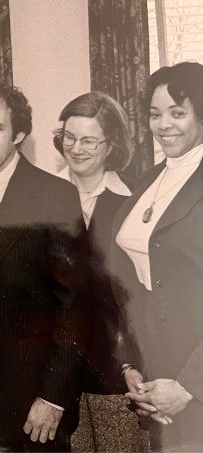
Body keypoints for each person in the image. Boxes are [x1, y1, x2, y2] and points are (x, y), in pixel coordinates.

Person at [0, 79, 91, 452]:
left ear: (18, 134)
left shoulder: (54, 195)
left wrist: (53, 397)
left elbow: (75, 305)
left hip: (32, 410)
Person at [112, 61, 203, 451]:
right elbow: (136, 282)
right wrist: (131, 363)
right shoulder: (149, 179)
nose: (163, 124)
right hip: (157, 376)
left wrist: (187, 386)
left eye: (177, 113)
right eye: (154, 114)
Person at [54, 92, 149, 451]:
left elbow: (138, 297)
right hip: (59, 375)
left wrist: (133, 365)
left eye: (90, 140)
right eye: (70, 137)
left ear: (111, 144)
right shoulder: (41, 196)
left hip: (118, 369)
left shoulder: (134, 201)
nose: (77, 149)